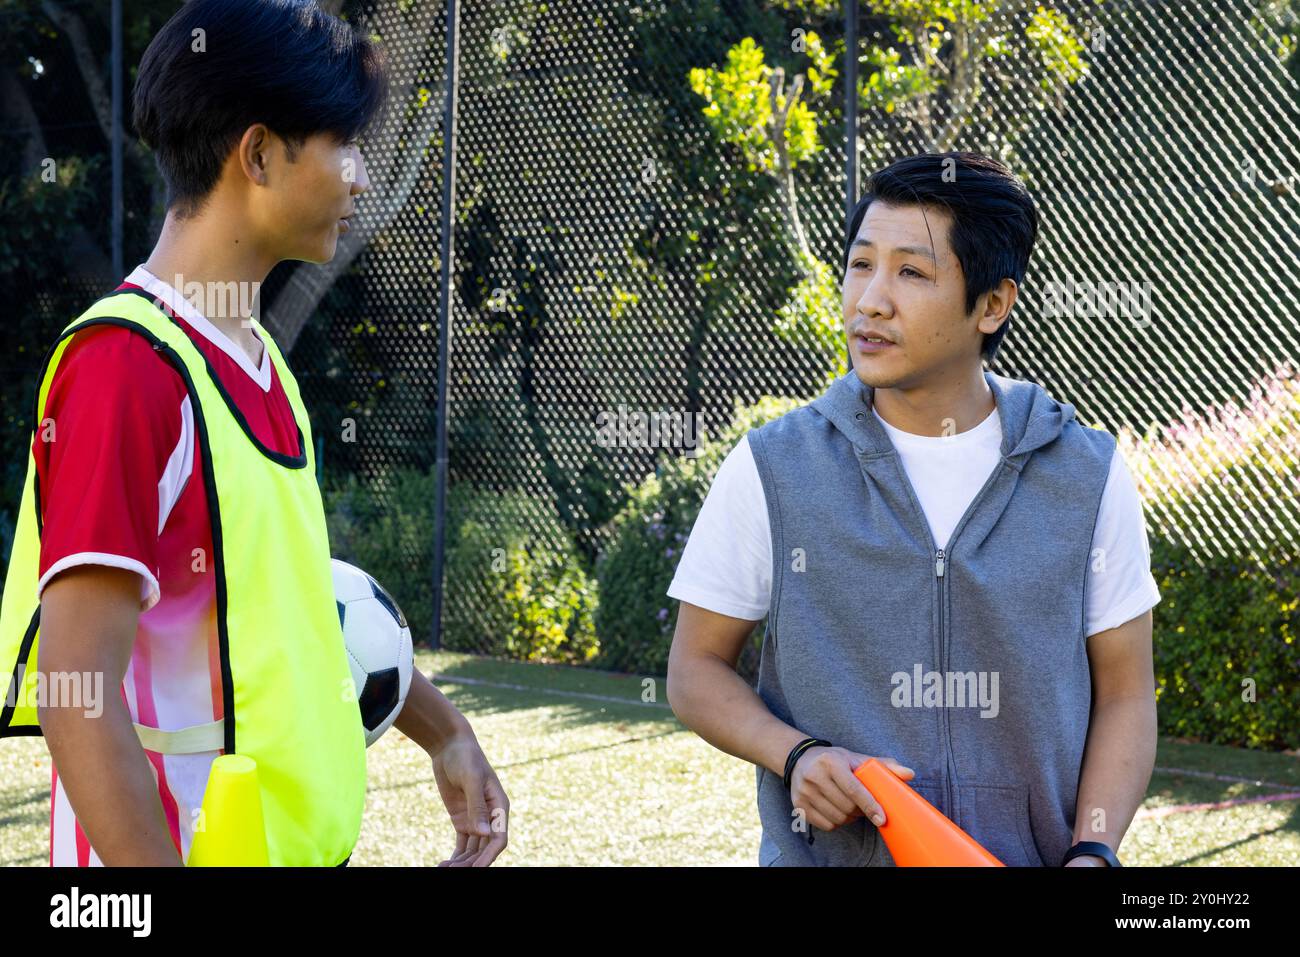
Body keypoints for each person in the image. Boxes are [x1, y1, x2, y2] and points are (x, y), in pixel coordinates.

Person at [0, 0, 507, 867]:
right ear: (261, 154)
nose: (359, 180)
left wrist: (441, 728)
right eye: (343, 148)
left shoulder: (255, 356)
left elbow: (294, 596)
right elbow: (76, 690)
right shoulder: (125, 368)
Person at [666, 151, 1159, 867]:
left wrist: (1094, 849)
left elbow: (1125, 694)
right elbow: (694, 667)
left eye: (912, 272)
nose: (870, 299)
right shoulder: (773, 467)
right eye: (861, 264)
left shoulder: (1088, 475)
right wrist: (797, 754)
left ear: (992, 304)